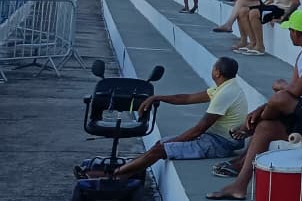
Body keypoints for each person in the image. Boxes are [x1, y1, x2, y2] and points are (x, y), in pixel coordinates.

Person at [207, 9, 302, 200]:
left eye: (290, 31)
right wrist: (261, 110)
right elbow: (291, 92)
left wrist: (280, 84)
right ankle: (240, 186)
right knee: (266, 126)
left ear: (295, 33)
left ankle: (247, 128)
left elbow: (294, 90)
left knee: (279, 99)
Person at [102, 57, 247, 181]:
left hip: (221, 144)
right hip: (215, 138)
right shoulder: (225, 87)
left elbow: (198, 130)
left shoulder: (225, 94)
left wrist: (173, 142)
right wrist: (157, 97)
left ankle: (116, 173)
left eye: (213, 67)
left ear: (217, 72)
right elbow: (187, 98)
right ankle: (127, 173)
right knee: (161, 143)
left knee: (161, 148)